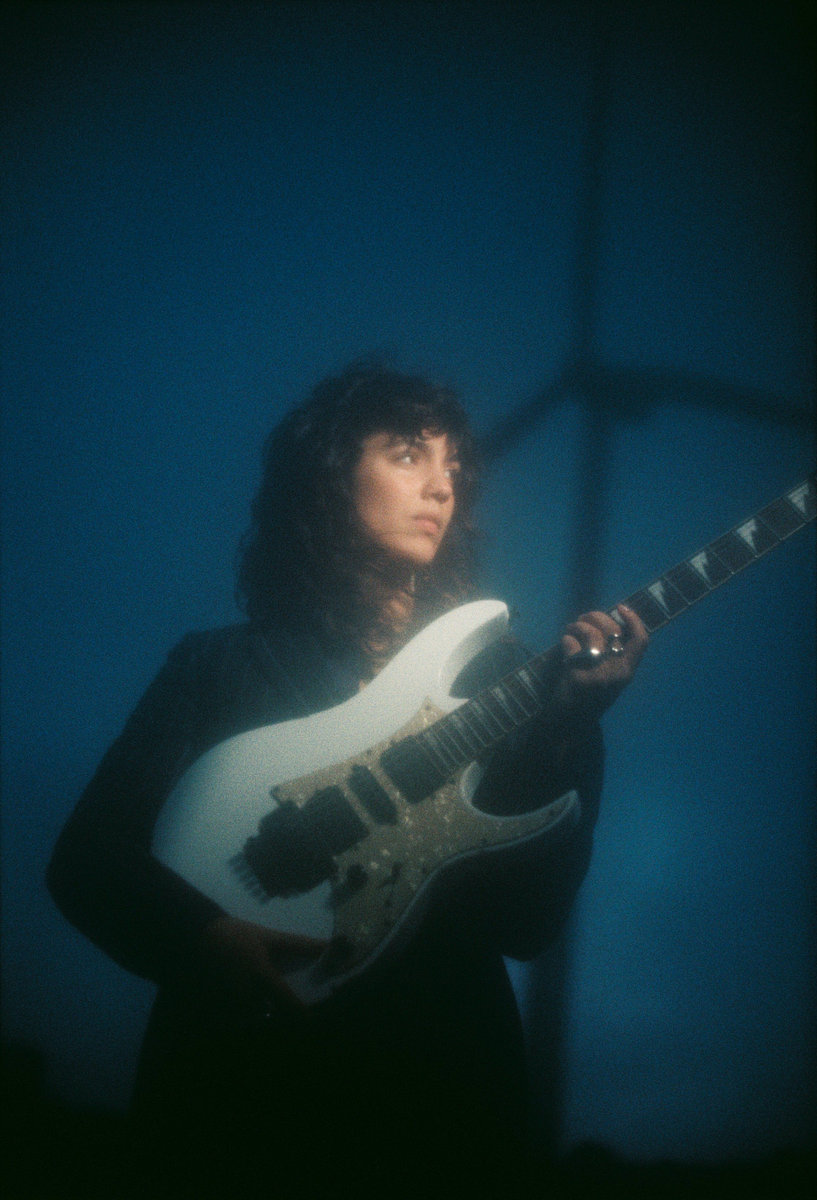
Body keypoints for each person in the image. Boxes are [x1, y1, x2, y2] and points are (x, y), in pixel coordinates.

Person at [47, 361, 647, 1198]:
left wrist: (571, 729)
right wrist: (201, 939)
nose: (442, 485)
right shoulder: (217, 666)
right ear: (328, 477)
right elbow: (87, 859)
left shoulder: (508, 682)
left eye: (453, 465)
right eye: (407, 454)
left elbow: (526, 924)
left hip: (439, 1103)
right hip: (237, 1099)